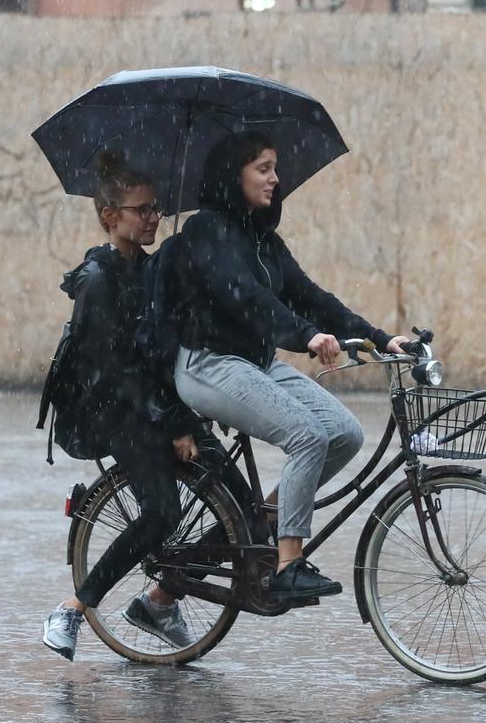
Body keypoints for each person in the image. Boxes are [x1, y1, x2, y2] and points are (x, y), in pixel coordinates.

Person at [172, 131, 410, 603]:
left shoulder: (263, 239)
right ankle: (288, 564)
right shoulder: (205, 232)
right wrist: (304, 336)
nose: (276, 179)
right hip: (209, 363)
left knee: (344, 434)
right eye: (263, 168)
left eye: (275, 168)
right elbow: (247, 299)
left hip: (255, 363)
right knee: (307, 435)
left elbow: (311, 296)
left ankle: (264, 519)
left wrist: (381, 337)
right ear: (232, 174)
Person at [42, 151, 209, 662]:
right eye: (141, 211)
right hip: (114, 413)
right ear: (110, 218)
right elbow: (116, 373)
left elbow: (161, 352)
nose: (152, 218)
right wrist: (173, 423)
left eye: (156, 209)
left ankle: (160, 603)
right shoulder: (98, 283)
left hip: (155, 406)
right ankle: (72, 608)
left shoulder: (150, 269)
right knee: (161, 512)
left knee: (233, 504)